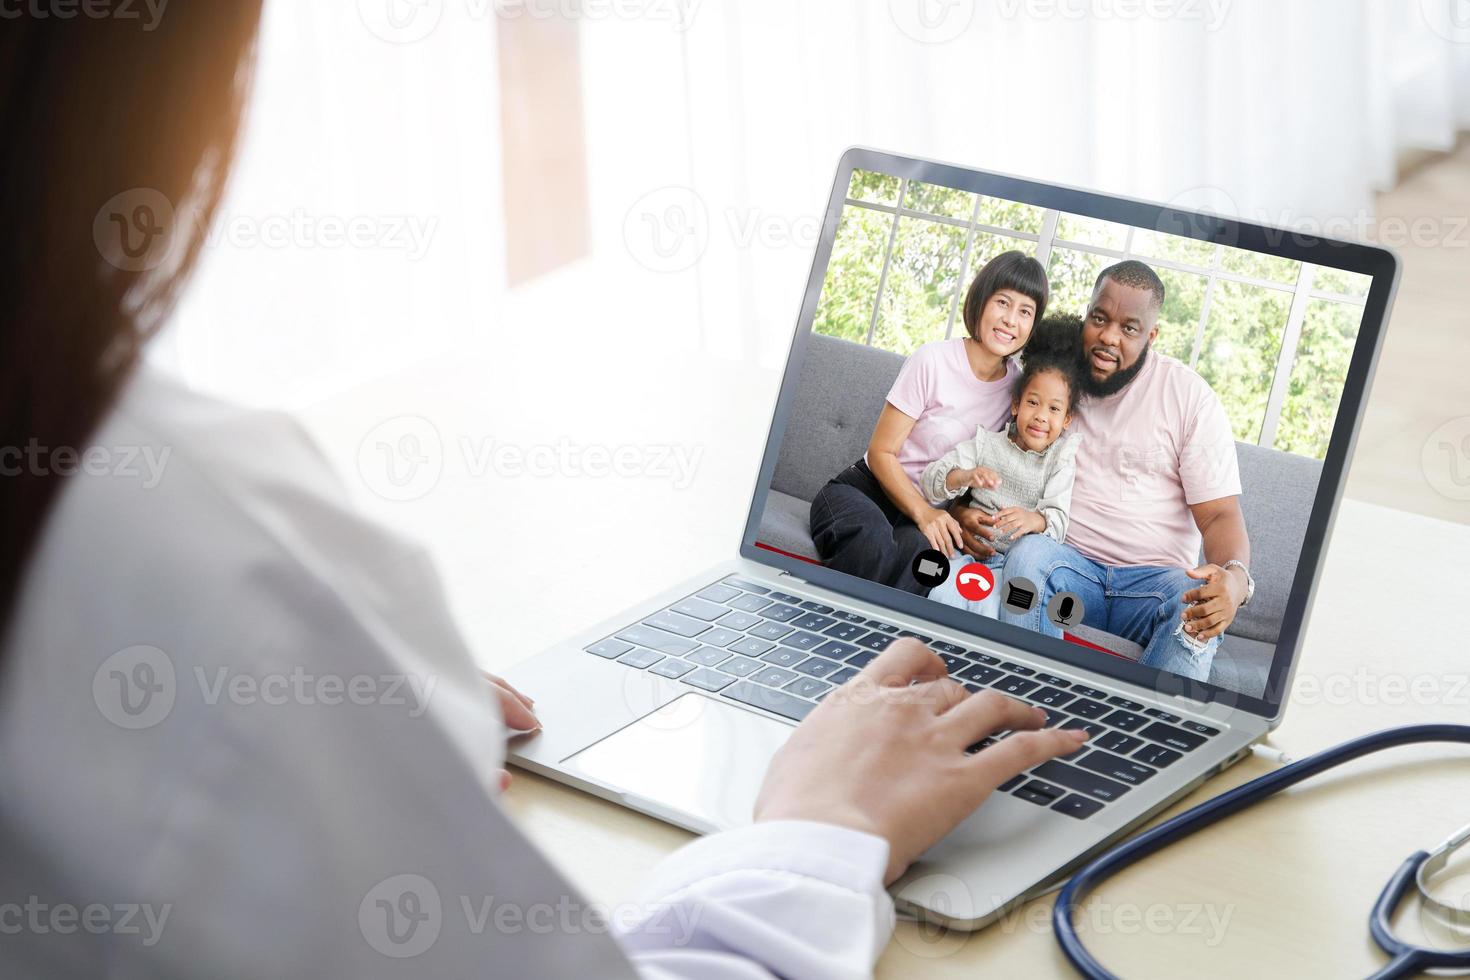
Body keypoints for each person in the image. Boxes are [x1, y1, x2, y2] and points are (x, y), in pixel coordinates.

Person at [0, 12, 1087, 979]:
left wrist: (343, 711)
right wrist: (819, 828)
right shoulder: (203, 572)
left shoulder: (160, 546)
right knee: (872, 542)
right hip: (877, 498)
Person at [993, 261, 1253, 681]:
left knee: (1195, 606)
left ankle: (1149, 736)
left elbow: (1221, 514)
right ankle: (1030, 711)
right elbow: (1002, 455)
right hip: (1071, 568)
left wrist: (1236, 581)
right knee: (1027, 557)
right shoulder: (1057, 382)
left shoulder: (1188, 397)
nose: (1108, 338)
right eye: (1099, 319)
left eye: (1129, 328)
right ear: (1087, 316)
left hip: (1153, 587)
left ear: (1151, 336)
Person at [810, 250, 1048, 594]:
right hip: (866, 491)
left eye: (1025, 311)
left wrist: (962, 514)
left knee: (927, 566)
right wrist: (924, 512)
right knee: (874, 546)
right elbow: (881, 453)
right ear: (981, 302)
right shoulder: (932, 360)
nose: (1011, 319)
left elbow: (983, 473)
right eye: (1003, 303)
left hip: (923, 518)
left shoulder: (1017, 391)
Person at [920, 337, 1083, 617]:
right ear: (1016, 405)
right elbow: (931, 481)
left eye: (1054, 409)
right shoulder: (986, 444)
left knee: (991, 607)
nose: (1042, 416)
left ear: (1067, 419)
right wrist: (964, 477)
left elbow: (1057, 522)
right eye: (1033, 403)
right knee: (933, 585)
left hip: (1008, 565)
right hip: (962, 550)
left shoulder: (1060, 460)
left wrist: (1035, 519)